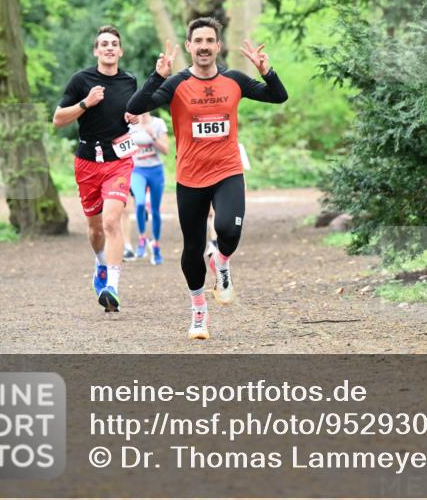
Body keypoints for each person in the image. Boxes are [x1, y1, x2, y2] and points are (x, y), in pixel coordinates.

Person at [127, 17, 287, 340]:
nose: (203, 46)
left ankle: (222, 261)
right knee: (193, 247)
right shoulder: (176, 85)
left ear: (218, 46)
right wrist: (157, 77)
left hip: (227, 170)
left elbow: (278, 96)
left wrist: (266, 71)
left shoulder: (234, 80)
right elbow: (134, 106)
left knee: (228, 230)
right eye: (197, 41)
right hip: (190, 177)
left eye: (209, 41)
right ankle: (199, 311)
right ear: (189, 46)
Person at [53, 25, 139, 313]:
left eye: (114, 43)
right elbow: (58, 119)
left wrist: (134, 116)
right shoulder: (81, 80)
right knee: (94, 229)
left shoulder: (129, 81)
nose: (109, 48)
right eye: (104, 44)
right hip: (88, 162)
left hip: (119, 161)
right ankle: (101, 263)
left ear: (121, 50)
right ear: (96, 50)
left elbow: (132, 113)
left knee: (112, 221)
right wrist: (85, 103)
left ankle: (112, 287)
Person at [129, 110, 169, 264]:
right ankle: (142, 238)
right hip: (137, 170)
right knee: (139, 203)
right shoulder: (131, 124)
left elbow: (166, 150)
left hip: (156, 170)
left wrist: (153, 136)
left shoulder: (158, 123)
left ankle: (156, 245)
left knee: (155, 211)